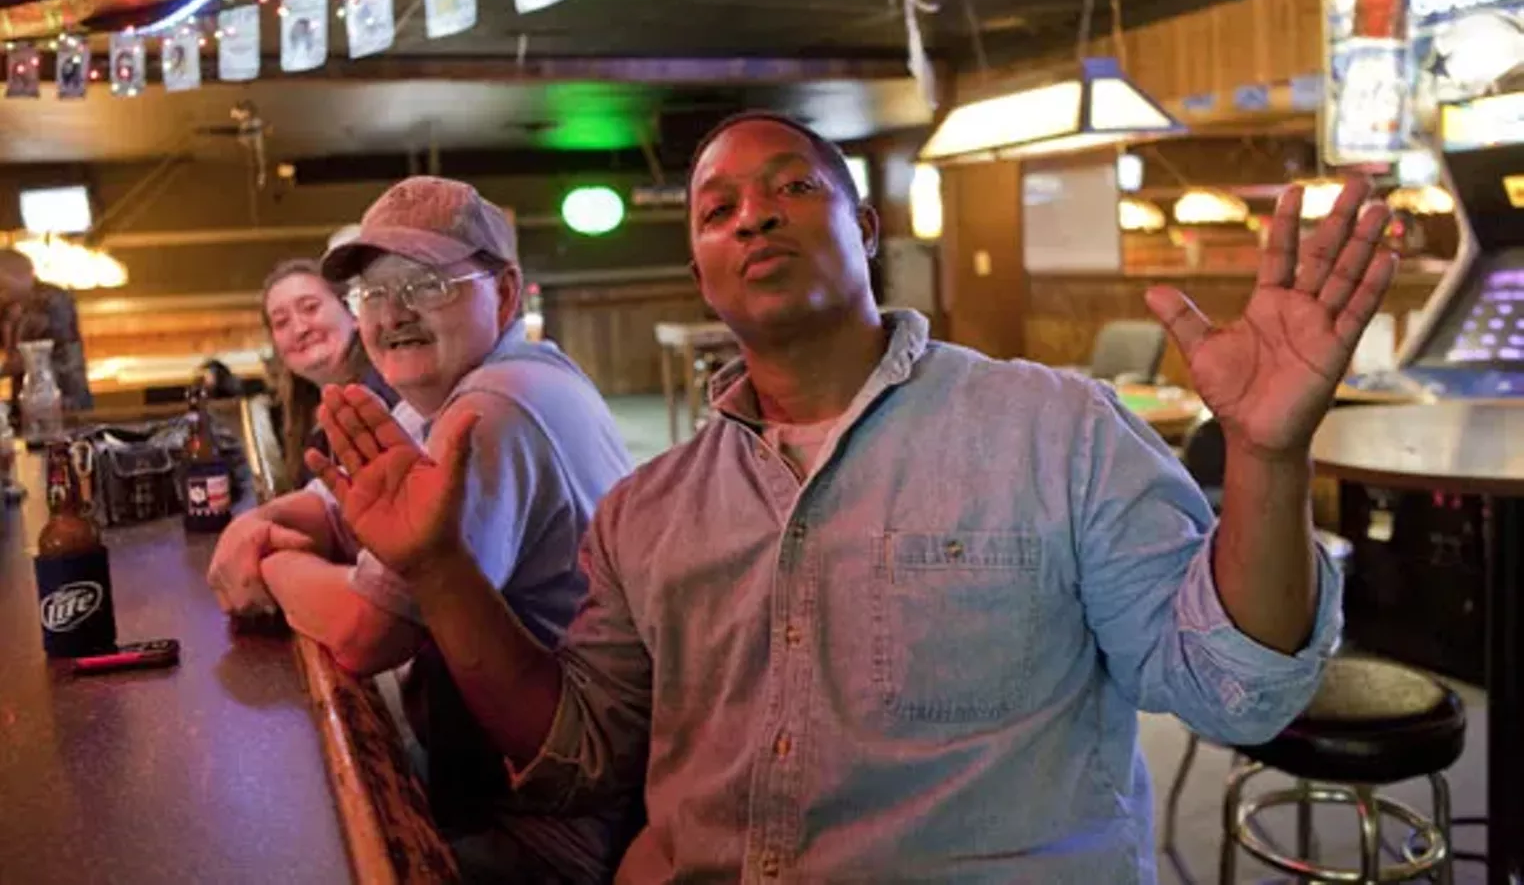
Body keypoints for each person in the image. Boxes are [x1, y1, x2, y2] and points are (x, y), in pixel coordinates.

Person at [307, 113, 1397, 882]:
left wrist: (1265, 453)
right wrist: (441, 572)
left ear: (865, 227)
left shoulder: (1052, 427)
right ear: (700, 268)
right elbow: (580, 753)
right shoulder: (649, 511)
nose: (754, 218)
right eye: (717, 207)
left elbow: (1230, 688)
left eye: (793, 186)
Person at [207, 179, 635, 882]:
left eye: (427, 283)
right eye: (373, 294)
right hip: (516, 789)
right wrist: (262, 521)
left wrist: (268, 558)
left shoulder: (494, 410)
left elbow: (365, 635)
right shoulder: (454, 388)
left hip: (555, 829)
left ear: (504, 293)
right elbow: (330, 508)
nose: (393, 312)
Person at [261, 258, 397, 490]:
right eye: (282, 322)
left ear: (353, 314)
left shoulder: (386, 395)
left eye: (311, 308)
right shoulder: (308, 416)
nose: (300, 329)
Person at [0, 248, 92, 413]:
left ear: (22, 277)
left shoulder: (52, 300)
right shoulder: (10, 305)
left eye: (2, 284)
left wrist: (4, 369)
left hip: (63, 399)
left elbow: (34, 354)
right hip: (26, 400)